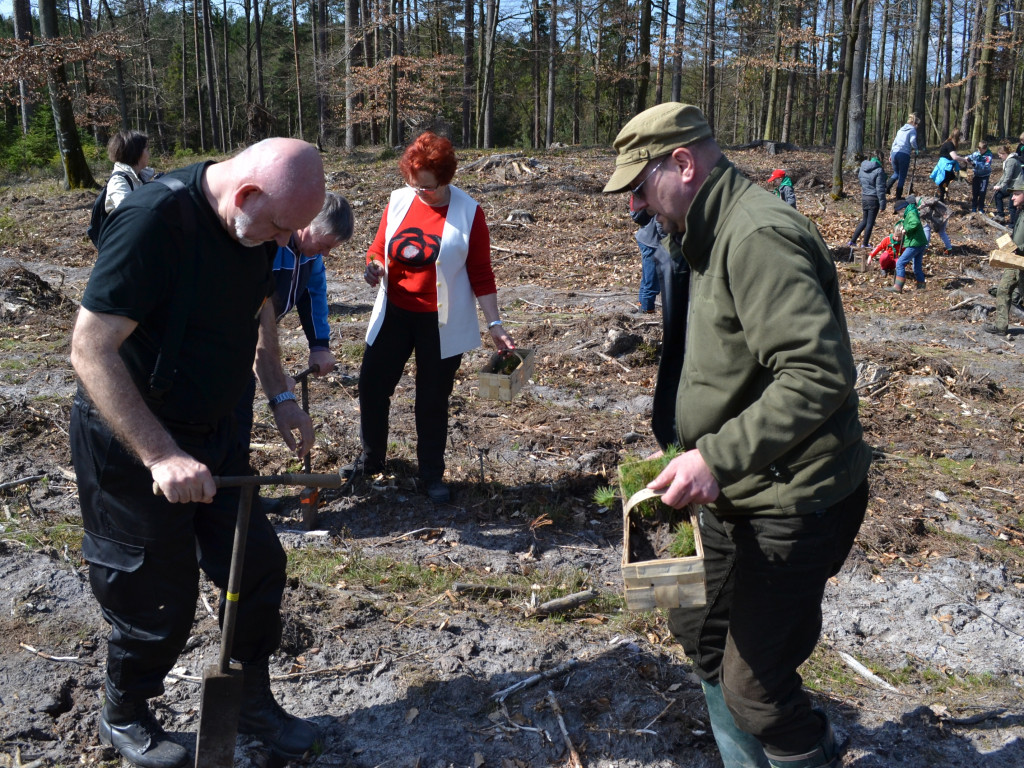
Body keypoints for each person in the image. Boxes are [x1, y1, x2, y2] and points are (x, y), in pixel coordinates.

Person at [603, 102, 871, 768]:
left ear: (683, 164)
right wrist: (687, 447)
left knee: (757, 691)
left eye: (640, 186)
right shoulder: (703, 235)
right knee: (696, 628)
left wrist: (716, 457)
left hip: (793, 498)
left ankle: (806, 750)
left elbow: (818, 374)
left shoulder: (756, 236)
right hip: (733, 490)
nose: (636, 204)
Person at [69, 138, 326, 768]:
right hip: (134, 435)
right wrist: (161, 455)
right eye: (278, 228)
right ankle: (124, 712)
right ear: (246, 194)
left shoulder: (257, 232)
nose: (282, 243)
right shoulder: (153, 223)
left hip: (217, 429)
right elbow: (89, 349)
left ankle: (250, 699)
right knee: (156, 594)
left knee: (256, 567)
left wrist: (281, 396)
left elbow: (259, 321)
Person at [347, 131, 515, 504]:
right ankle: (371, 461)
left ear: (446, 177)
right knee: (372, 385)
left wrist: (495, 324)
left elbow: (481, 274)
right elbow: (378, 247)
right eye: (415, 185)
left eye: (428, 187)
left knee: (432, 398)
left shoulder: (469, 213)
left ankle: (431, 474)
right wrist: (374, 266)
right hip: (394, 312)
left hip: (441, 322)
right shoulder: (398, 200)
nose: (420, 193)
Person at [984, 176, 1024, 335]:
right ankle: (1001, 327)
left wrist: (1018, 248)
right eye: (1013, 194)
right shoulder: (1020, 212)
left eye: (1017, 194)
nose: (1012, 197)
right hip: (1015, 261)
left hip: (1022, 261)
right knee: (1003, 290)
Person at [105, 130, 157, 212]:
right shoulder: (118, 182)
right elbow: (129, 213)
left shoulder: (141, 175)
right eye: (147, 149)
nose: (149, 154)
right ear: (136, 152)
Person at [885, 197, 928, 293]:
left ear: (903, 209)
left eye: (898, 212)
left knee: (900, 263)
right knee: (916, 267)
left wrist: (906, 229)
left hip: (915, 243)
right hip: (919, 243)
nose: (899, 215)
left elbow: (915, 223)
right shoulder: (911, 212)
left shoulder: (911, 213)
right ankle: (921, 287)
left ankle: (898, 287)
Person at [631, 205, 665, 313]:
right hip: (651, 243)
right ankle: (647, 311)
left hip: (646, 239)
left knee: (646, 280)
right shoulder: (662, 199)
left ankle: (641, 307)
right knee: (652, 282)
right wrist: (668, 241)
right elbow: (660, 224)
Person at [848, 156, 887, 247]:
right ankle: (865, 244)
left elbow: (861, 182)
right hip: (873, 199)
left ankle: (852, 241)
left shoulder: (862, 168)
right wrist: (882, 204)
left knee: (864, 221)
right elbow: (880, 189)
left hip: (865, 197)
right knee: (870, 223)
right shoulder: (879, 170)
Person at [887, 113, 919, 199]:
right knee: (902, 176)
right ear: (914, 124)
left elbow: (894, 142)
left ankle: (886, 187)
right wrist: (916, 149)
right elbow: (912, 141)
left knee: (896, 173)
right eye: (917, 125)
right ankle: (898, 196)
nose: (917, 127)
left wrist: (891, 154)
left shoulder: (900, 130)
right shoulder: (912, 130)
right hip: (904, 154)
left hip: (894, 153)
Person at [992, 145, 1022, 227]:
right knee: (998, 195)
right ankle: (1000, 215)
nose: (999, 156)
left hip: (1017, 186)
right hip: (1011, 185)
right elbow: (1004, 175)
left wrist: (1001, 186)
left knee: (1012, 206)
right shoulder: (1007, 161)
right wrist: (998, 184)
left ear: (1004, 153)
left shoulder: (1011, 161)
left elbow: (1008, 177)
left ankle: (1012, 225)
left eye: (1000, 155)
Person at [931, 130, 965, 202]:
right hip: (944, 166)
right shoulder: (949, 144)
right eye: (960, 138)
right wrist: (964, 159)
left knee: (949, 179)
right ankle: (940, 198)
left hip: (947, 166)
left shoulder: (950, 144)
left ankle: (941, 196)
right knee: (943, 182)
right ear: (957, 137)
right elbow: (954, 157)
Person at [967, 141, 994, 213]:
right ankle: (974, 207)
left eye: (981, 150)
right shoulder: (976, 153)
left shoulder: (988, 156)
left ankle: (981, 208)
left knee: (982, 192)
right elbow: (970, 157)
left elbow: (986, 166)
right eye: (978, 149)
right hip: (976, 175)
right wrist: (967, 158)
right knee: (975, 192)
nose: (979, 151)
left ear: (985, 149)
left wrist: (975, 164)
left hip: (984, 176)